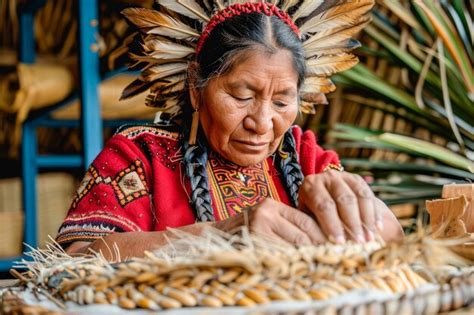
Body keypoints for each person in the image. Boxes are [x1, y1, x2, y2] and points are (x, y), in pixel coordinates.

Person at [57, 1, 402, 259]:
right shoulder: (140, 155)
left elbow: (393, 238)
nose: (262, 123)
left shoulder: (304, 155)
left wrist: (359, 207)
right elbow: (74, 261)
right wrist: (222, 234)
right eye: (242, 96)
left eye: (282, 102)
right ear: (196, 85)